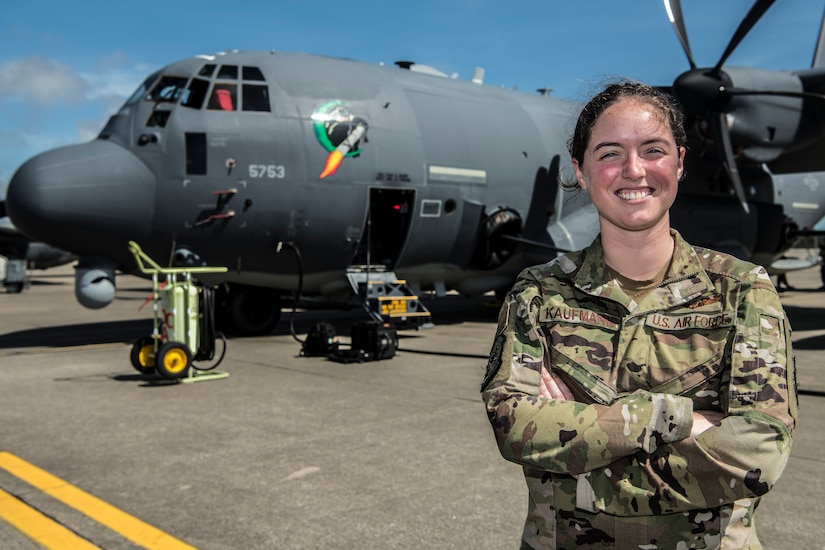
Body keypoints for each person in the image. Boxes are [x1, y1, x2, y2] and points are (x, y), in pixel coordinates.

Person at [481, 81, 797, 549]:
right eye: (609, 153)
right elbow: (514, 427)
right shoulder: (540, 293)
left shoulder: (743, 291)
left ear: (680, 163)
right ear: (581, 172)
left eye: (653, 150)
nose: (633, 170)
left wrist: (579, 447)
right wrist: (676, 419)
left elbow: (758, 453)